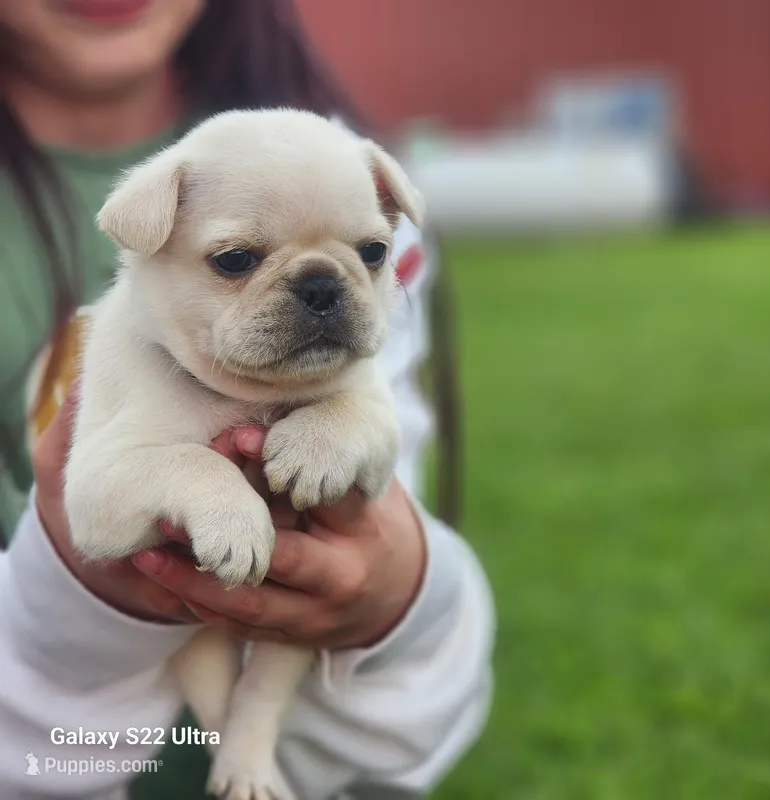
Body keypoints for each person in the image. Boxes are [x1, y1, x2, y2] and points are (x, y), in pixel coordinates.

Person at [0, 2, 495, 799]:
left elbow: (377, 442)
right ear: (151, 239)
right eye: (237, 260)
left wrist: (403, 594)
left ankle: (251, 747)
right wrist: (196, 486)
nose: (322, 292)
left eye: (369, 253)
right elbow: (99, 511)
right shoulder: (141, 310)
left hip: (323, 725)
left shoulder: (336, 155)